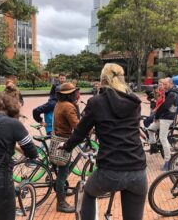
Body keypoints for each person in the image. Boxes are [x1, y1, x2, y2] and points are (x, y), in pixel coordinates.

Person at [61, 63, 147, 220]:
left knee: (88, 191)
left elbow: (80, 132)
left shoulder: (96, 102)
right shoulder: (134, 101)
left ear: (102, 79)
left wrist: (66, 147)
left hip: (110, 170)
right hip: (138, 170)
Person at [53, 82, 79, 213]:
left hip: (56, 138)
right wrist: (91, 129)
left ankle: (61, 190)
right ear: (70, 95)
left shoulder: (59, 104)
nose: (76, 94)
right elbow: (77, 126)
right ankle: (61, 203)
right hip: (64, 141)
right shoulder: (68, 107)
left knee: (61, 171)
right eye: (74, 92)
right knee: (62, 174)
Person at [148, 77, 178, 171]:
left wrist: (156, 115)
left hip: (166, 118)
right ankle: (154, 145)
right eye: (163, 84)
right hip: (162, 117)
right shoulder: (168, 92)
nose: (164, 86)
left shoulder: (173, 93)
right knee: (150, 129)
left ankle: (168, 160)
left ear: (171, 83)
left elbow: (165, 106)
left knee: (163, 138)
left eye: (166, 84)